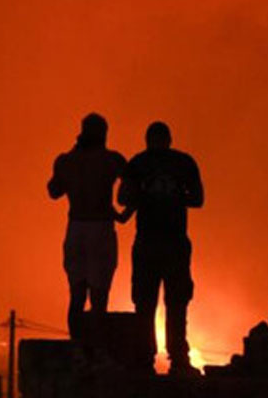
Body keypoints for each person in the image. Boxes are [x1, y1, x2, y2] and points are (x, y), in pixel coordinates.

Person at [118, 121, 204, 376]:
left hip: (151, 243)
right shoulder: (183, 162)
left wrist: (146, 195)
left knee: (148, 303)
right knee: (173, 303)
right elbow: (198, 199)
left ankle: (148, 360)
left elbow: (123, 198)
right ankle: (175, 359)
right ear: (169, 139)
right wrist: (175, 196)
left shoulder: (138, 163)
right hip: (171, 242)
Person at [48, 113, 130, 339]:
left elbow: (54, 191)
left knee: (76, 294)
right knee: (99, 295)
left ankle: (78, 350)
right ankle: (97, 351)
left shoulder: (66, 161)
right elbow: (131, 187)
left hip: (75, 227)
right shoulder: (112, 160)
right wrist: (123, 213)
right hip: (100, 228)